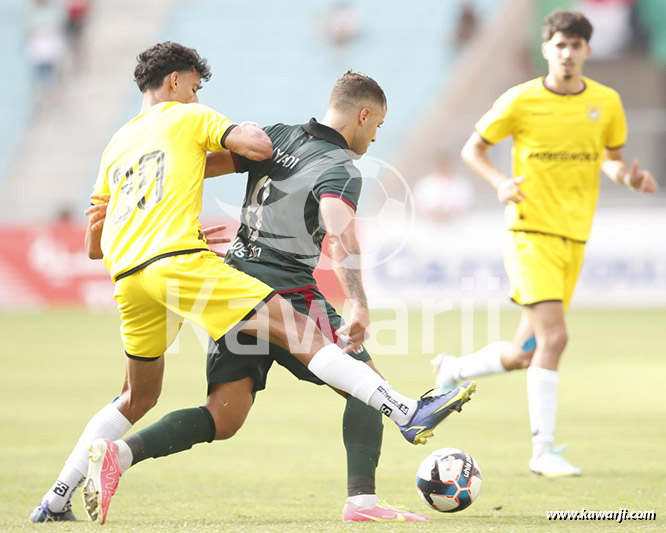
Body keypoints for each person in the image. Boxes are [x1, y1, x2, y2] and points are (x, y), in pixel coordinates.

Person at [31, 44, 475, 523]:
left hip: (204, 274)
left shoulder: (133, 142)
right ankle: (386, 453)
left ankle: (100, 468)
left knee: (219, 415)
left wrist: (166, 217)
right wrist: (359, 304)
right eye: (378, 127)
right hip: (275, 284)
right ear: (363, 116)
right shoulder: (338, 165)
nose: (375, 138)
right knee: (361, 378)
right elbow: (338, 225)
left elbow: (188, 171)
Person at [434, 10, 658, 478]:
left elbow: (610, 160)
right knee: (556, 337)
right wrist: (499, 182)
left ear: (587, 52)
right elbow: (473, 148)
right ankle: (543, 452)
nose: (568, 53)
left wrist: (629, 177)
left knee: (527, 353)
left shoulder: (606, 102)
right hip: (529, 232)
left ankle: (455, 368)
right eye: (560, 45)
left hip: (573, 237)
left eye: (576, 46)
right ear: (546, 49)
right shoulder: (521, 99)